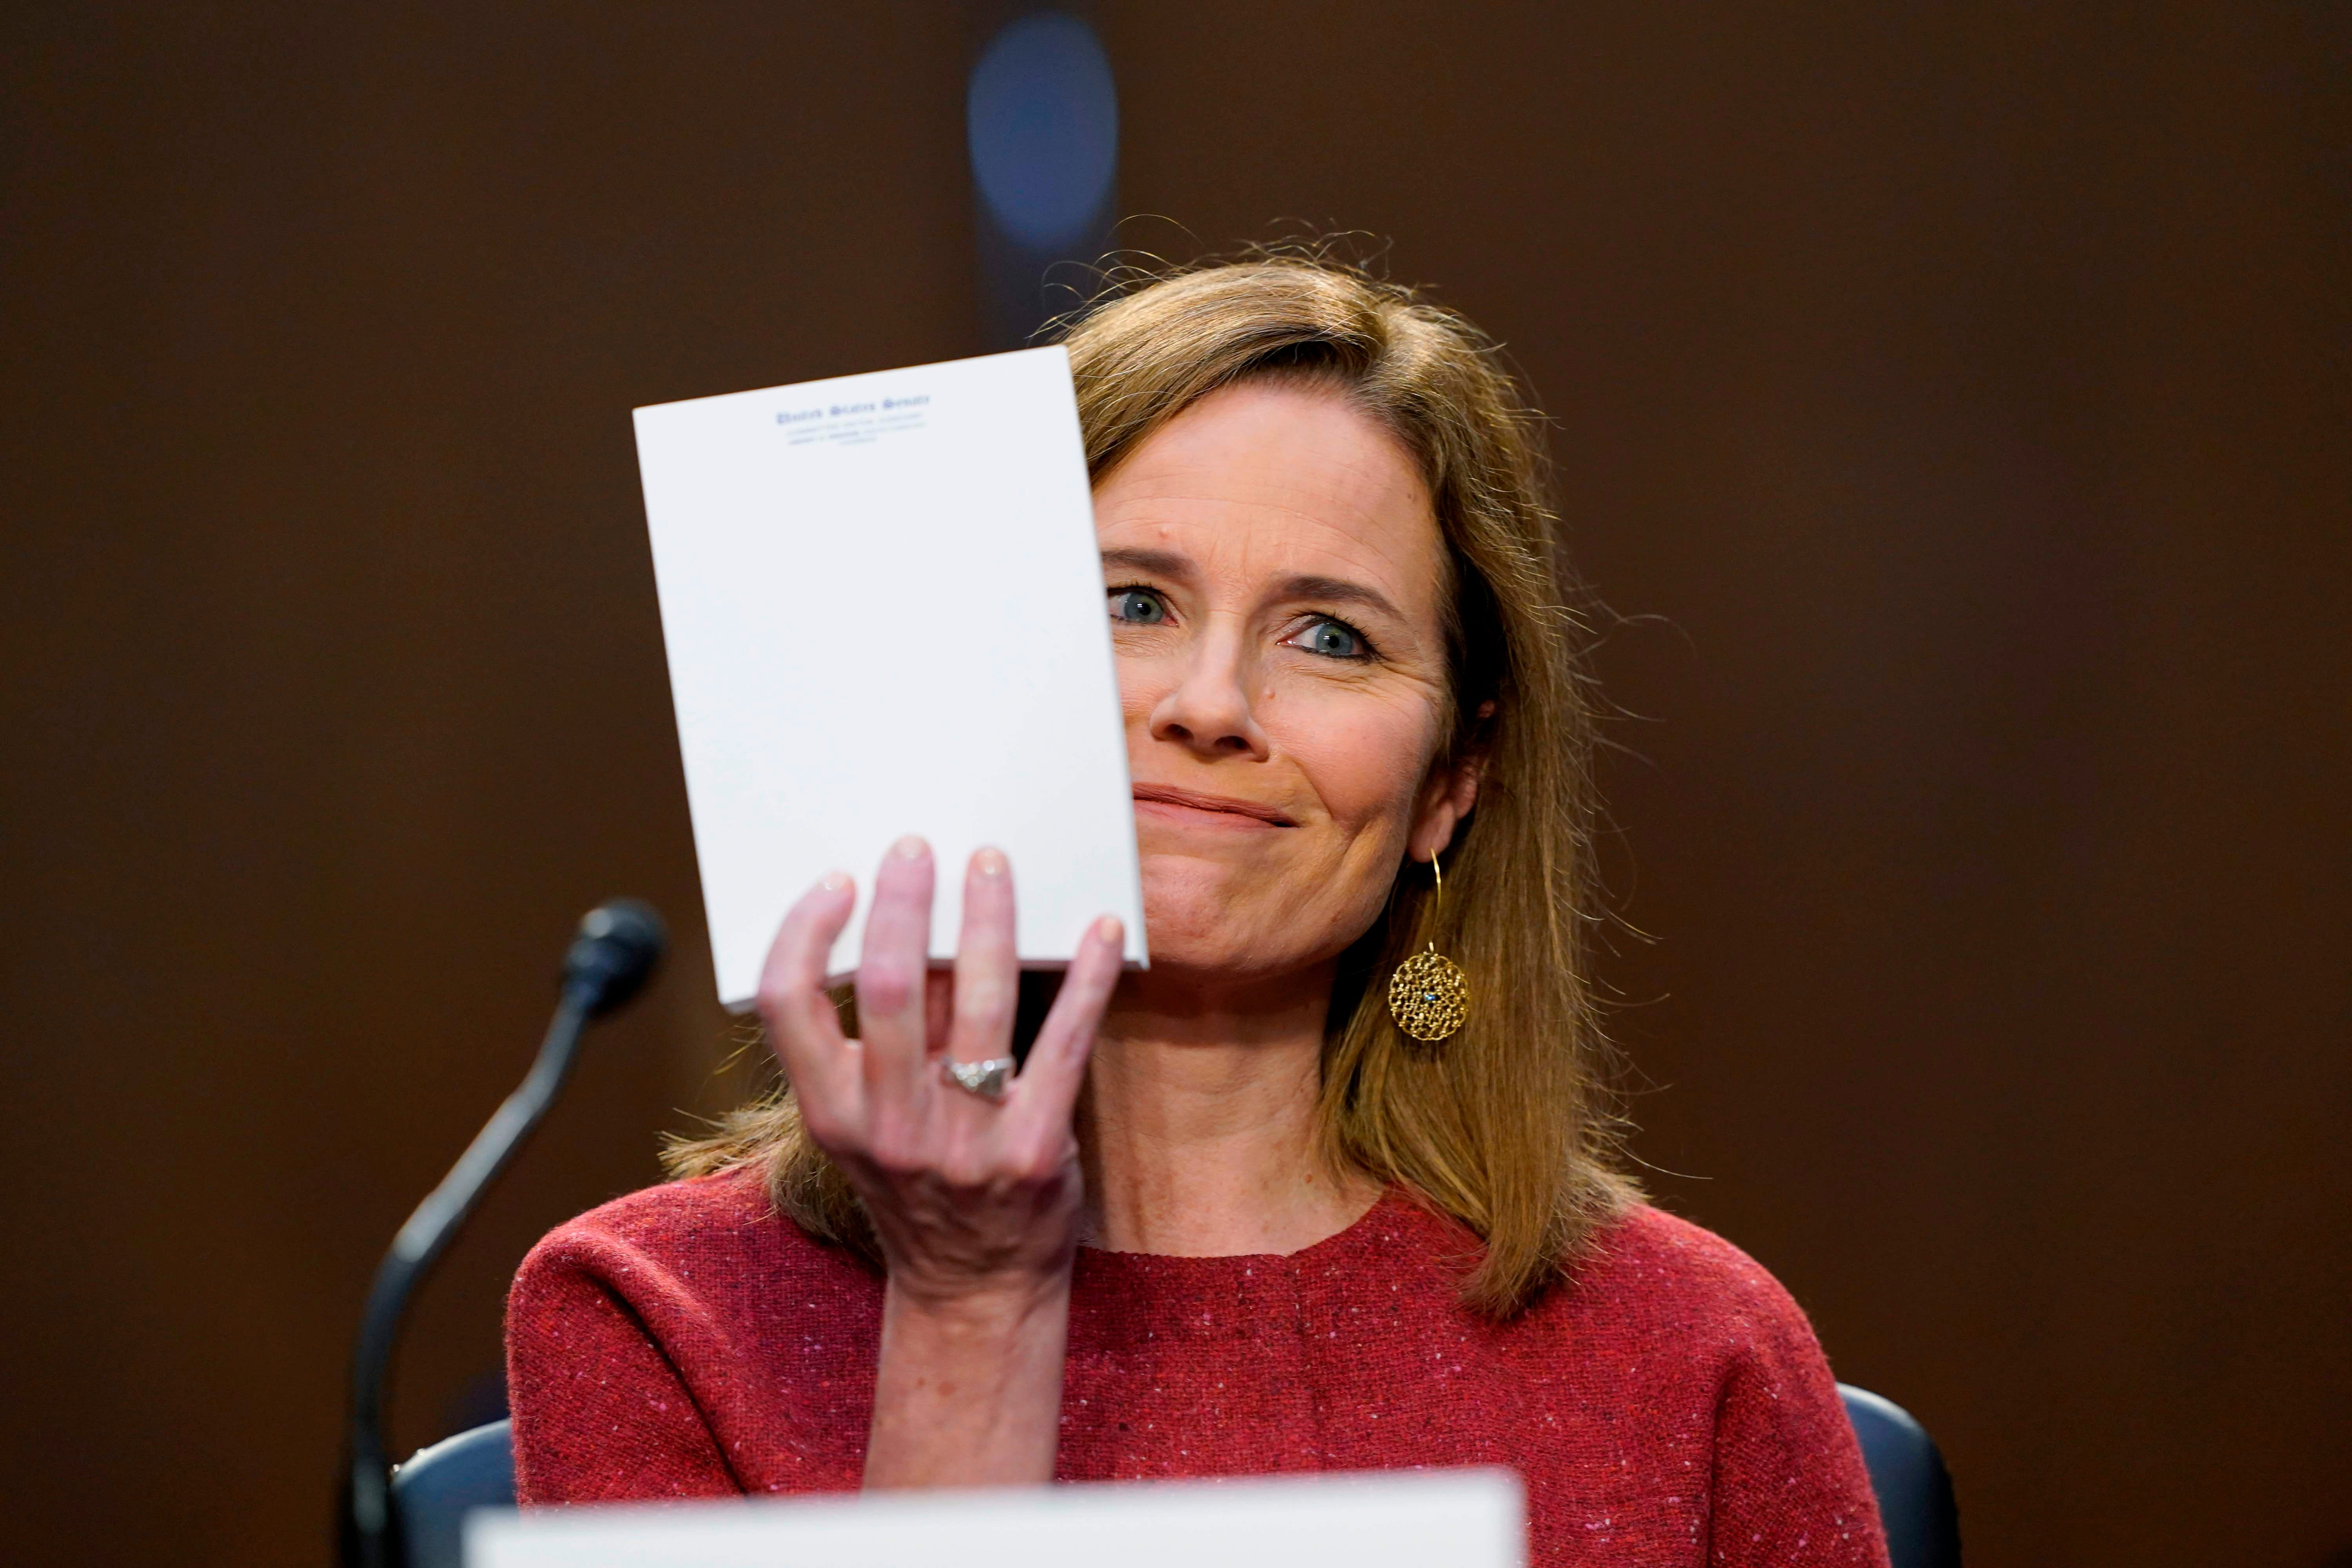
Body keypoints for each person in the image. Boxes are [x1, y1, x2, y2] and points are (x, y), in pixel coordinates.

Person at [506, 254, 1891, 1567]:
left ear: (1449, 786)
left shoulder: (1690, 1349)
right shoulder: (657, 1321)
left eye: (1331, 637)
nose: (1210, 706)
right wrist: (970, 1304)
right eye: (1132, 602)